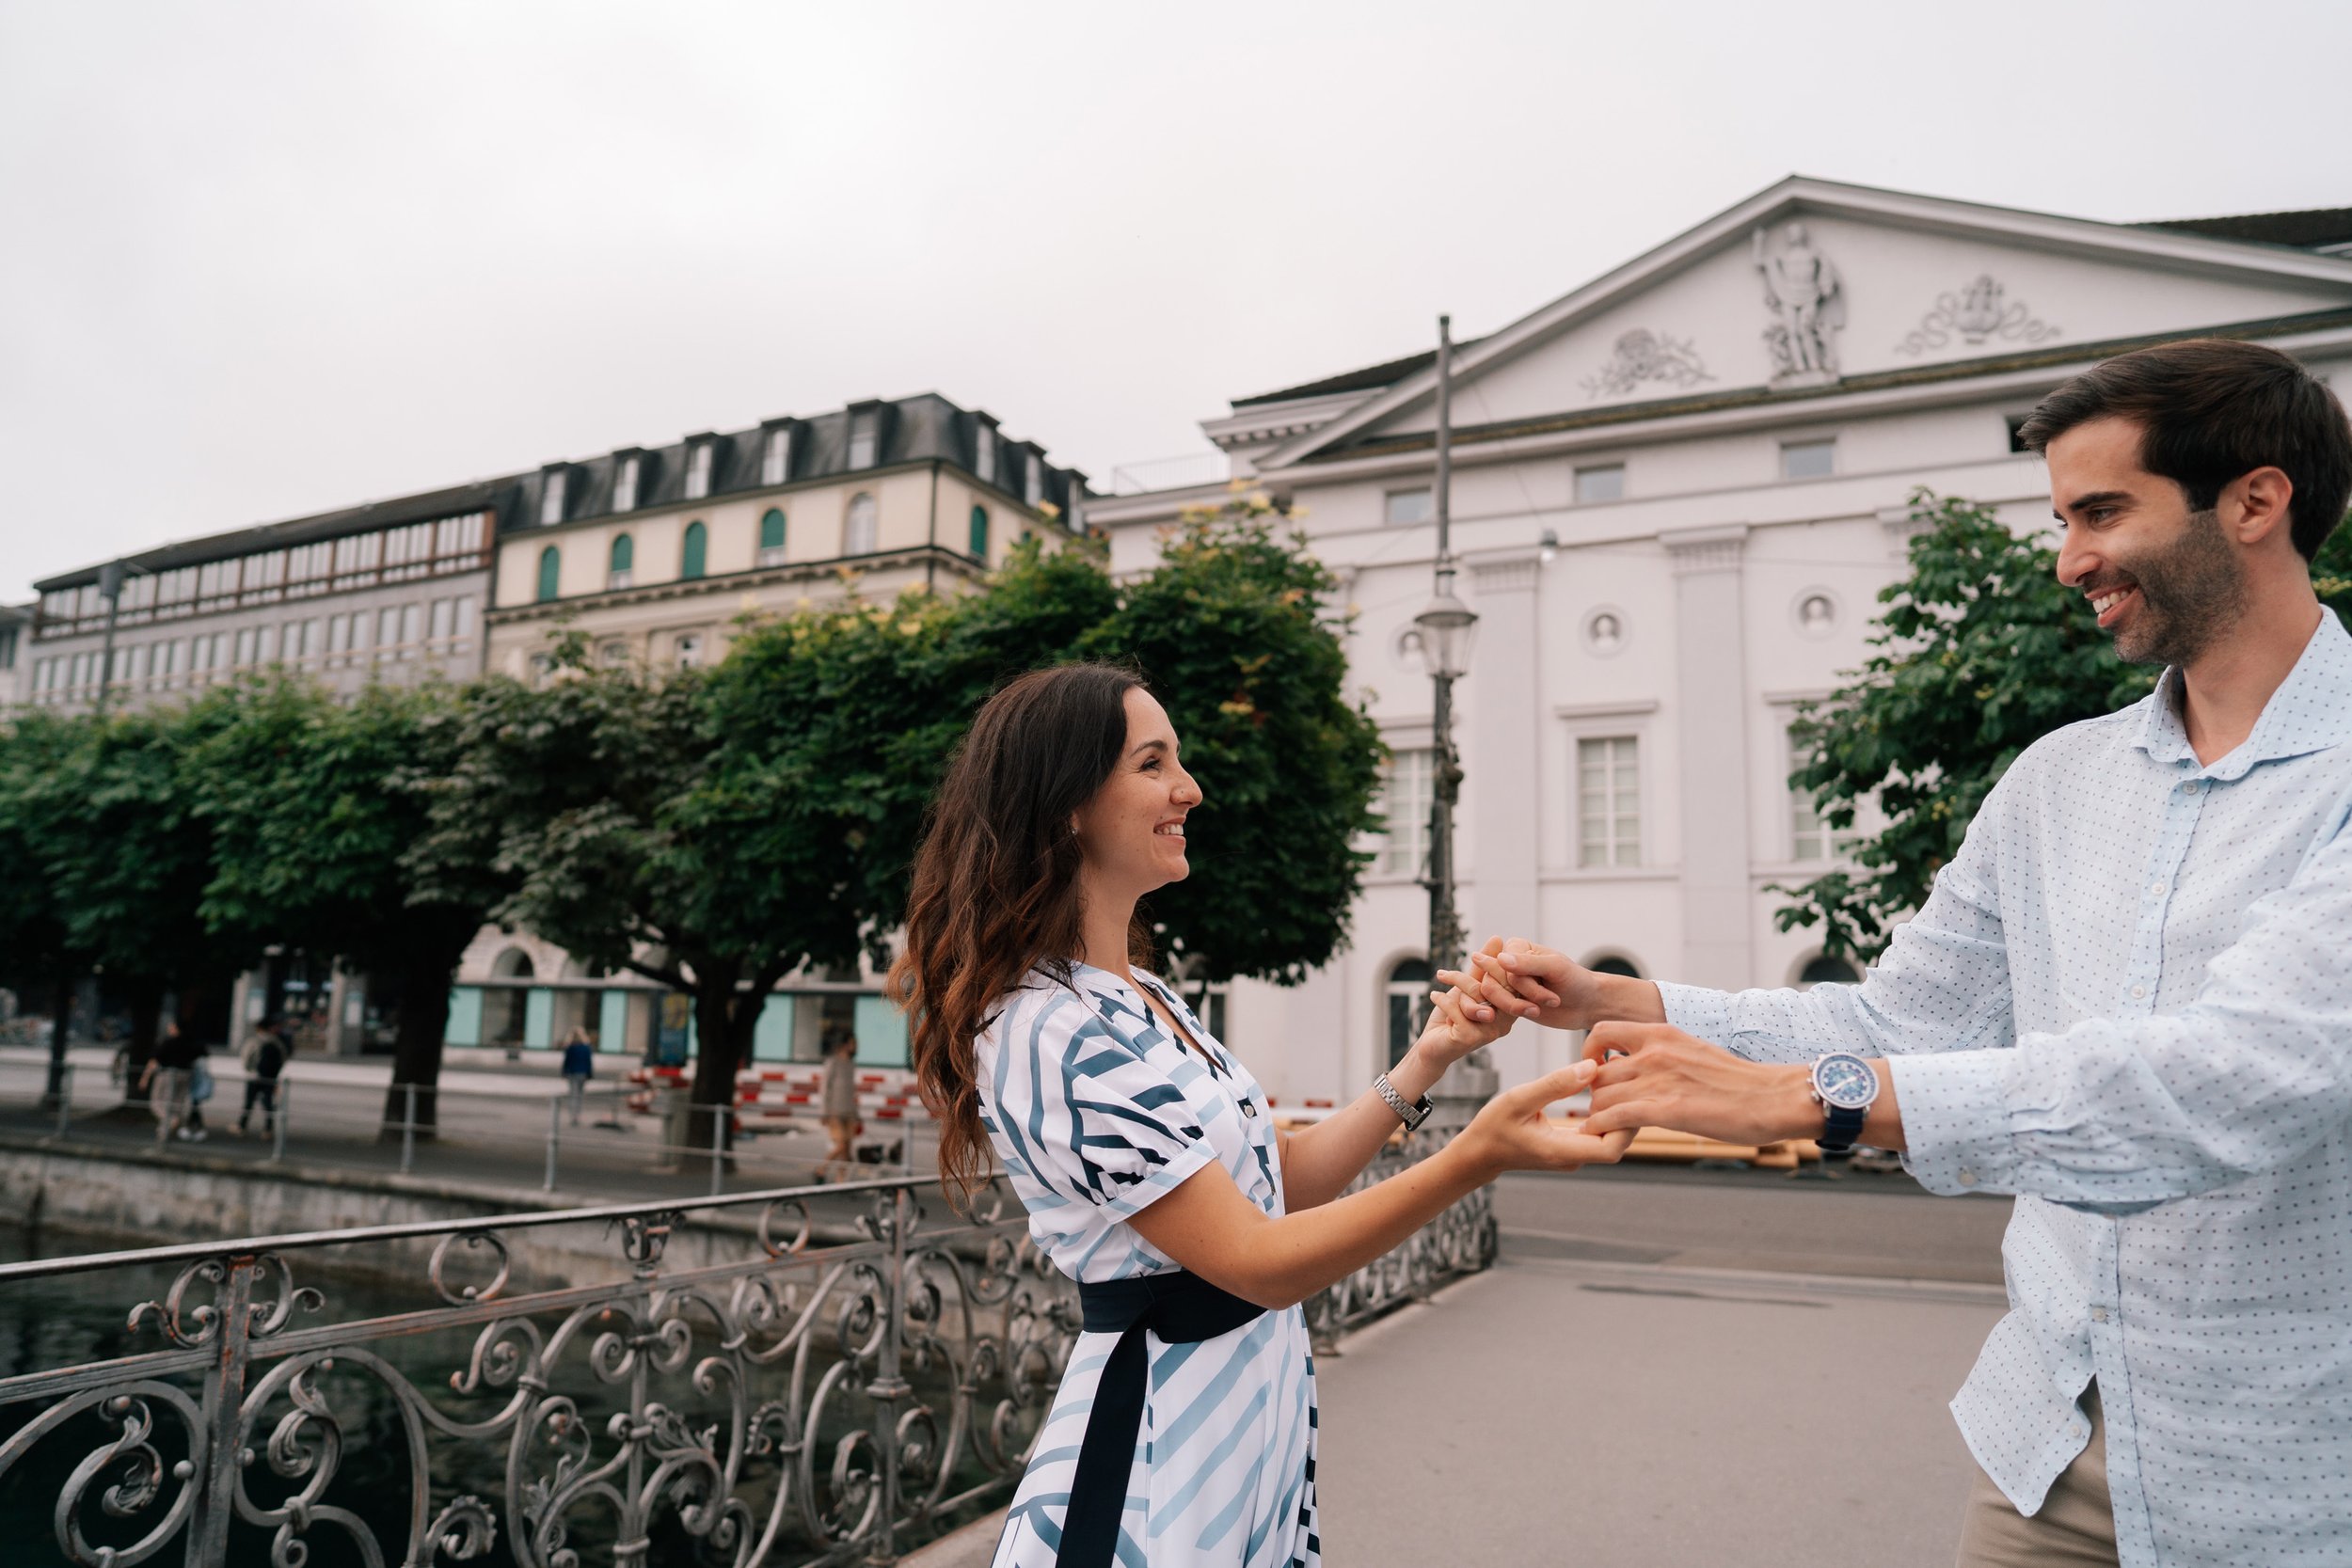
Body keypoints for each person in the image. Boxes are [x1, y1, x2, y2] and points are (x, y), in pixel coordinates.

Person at [1457, 338, 2352, 1568]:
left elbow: (2221, 1081)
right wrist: (1620, 995)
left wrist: (1805, 1101)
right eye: (2060, 516)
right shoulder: (2054, 783)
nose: (2069, 558)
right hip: (2046, 1444)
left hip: (2295, 1475)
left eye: (2102, 511)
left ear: (2257, 499)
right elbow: (1899, 1024)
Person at [890, 661, 1628, 1568]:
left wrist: (1428, 1055)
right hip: (1154, 1466)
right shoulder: (1048, 1030)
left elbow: (1272, 1184)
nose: (1188, 789)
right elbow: (1258, 1263)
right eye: (1152, 762)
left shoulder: (1142, 993)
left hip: (1239, 1431)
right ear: (1067, 804)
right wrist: (1480, 1152)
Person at [139, 1020, 207, 1145]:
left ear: (176, 1028)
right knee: (177, 1103)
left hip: (167, 1075)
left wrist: (145, 1078)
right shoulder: (192, 1042)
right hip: (186, 1075)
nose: (169, 1028)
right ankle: (165, 1132)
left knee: (157, 1102)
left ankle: (170, 1122)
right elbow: (202, 1056)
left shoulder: (168, 1042)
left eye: (171, 1026)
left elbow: (154, 1060)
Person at [817, 1024, 860, 1180]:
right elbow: (824, 1088)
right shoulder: (832, 1062)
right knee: (840, 1145)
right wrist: (823, 1111)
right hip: (834, 1111)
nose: (854, 1046)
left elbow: (851, 1092)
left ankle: (841, 1179)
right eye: (852, 1043)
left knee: (847, 1150)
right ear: (843, 1044)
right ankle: (822, 1169)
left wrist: (856, 1113)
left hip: (849, 1112)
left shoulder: (851, 1064)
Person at [238, 1016, 289, 1138]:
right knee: (268, 1103)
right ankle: (268, 1129)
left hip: (254, 1077)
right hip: (270, 1078)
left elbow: (246, 1059)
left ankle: (242, 1126)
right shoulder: (276, 1042)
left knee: (249, 1103)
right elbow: (283, 1058)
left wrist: (250, 1070)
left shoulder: (253, 1041)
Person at [559, 1026, 596, 1126]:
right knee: (579, 1095)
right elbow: (588, 1062)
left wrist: (563, 1073)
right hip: (582, 1073)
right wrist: (590, 1074)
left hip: (572, 1073)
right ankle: (577, 1115)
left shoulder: (570, 1047)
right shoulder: (586, 1048)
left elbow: (566, 1062)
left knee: (573, 1095)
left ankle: (573, 1116)